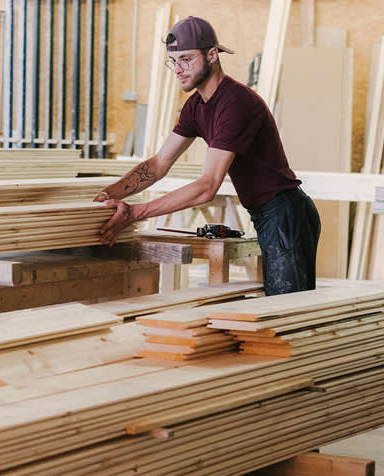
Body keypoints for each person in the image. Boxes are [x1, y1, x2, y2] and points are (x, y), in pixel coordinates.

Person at [96, 15, 321, 295]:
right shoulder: (196, 107)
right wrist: (108, 194)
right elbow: (158, 164)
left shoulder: (235, 103)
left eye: (187, 59)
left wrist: (136, 213)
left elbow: (207, 187)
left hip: (285, 213)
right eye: (174, 61)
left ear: (212, 55)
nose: (178, 69)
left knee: (286, 313)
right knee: (278, 306)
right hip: (266, 214)